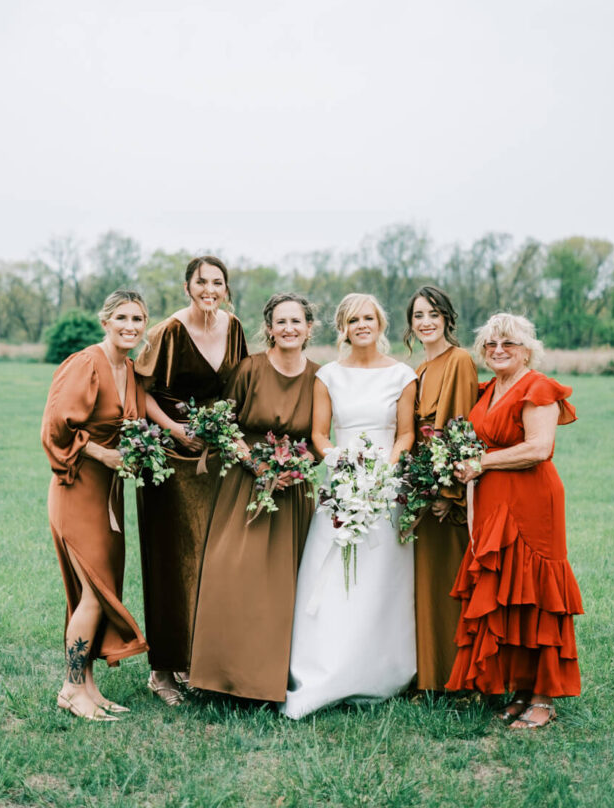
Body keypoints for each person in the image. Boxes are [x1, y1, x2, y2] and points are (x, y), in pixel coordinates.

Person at [280, 293, 418, 719]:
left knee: (381, 580)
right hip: (340, 483)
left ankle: (380, 672)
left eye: (370, 318)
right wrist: (342, 465)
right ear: (343, 327)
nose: (363, 325)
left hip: (384, 487)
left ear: (381, 323)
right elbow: (319, 434)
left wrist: (382, 475)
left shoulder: (403, 375)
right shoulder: (329, 377)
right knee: (333, 578)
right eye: (354, 319)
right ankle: (323, 670)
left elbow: (405, 434)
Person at [447, 313, 583, 729]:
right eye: (490, 344)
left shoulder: (537, 387)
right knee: (509, 593)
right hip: (494, 505)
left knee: (538, 595)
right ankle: (522, 688)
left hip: (531, 503)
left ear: (527, 349)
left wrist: (480, 462)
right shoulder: (488, 389)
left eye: (508, 343)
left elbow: (539, 447)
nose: (498, 350)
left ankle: (544, 696)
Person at [190, 294, 319, 702]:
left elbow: (320, 437)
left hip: (292, 489)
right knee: (232, 574)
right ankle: (221, 678)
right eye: (280, 322)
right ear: (269, 328)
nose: (288, 329)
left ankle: (267, 681)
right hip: (245, 483)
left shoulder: (320, 377)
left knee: (281, 586)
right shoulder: (249, 369)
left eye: (296, 321)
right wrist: (259, 467)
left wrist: (292, 470)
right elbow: (223, 426)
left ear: (309, 328)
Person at [134, 256, 247, 705]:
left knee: (210, 559)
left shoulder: (234, 327)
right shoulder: (168, 331)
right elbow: (141, 392)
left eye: (218, 283)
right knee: (172, 559)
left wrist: (223, 430)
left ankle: (194, 660)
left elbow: (237, 386)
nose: (210, 290)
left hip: (214, 459)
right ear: (187, 287)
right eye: (202, 282)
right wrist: (177, 430)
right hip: (170, 457)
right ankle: (162, 670)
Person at [42, 290, 149, 722]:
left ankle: (88, 686)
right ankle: (70, 687)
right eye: (121, 317)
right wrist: (102, 454)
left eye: (138, 318)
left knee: (100, 591)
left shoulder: (131, 369)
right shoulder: (87, 363)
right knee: (93, 593)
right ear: (105, 321)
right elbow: (55, 426)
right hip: (77, 488)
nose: (130, 325)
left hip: (109, 493)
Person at [404, 285, 478, 691]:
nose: (426, 321)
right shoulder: (418, 370)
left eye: (433, 313)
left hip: (446, 494)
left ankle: (460, 681)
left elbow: (459, 428)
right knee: (426, 585)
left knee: (452, 584)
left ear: (447, 318)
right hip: (422, 487)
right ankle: (429, 677)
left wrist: (445, 493)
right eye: (418, 315)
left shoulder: (459, 361)